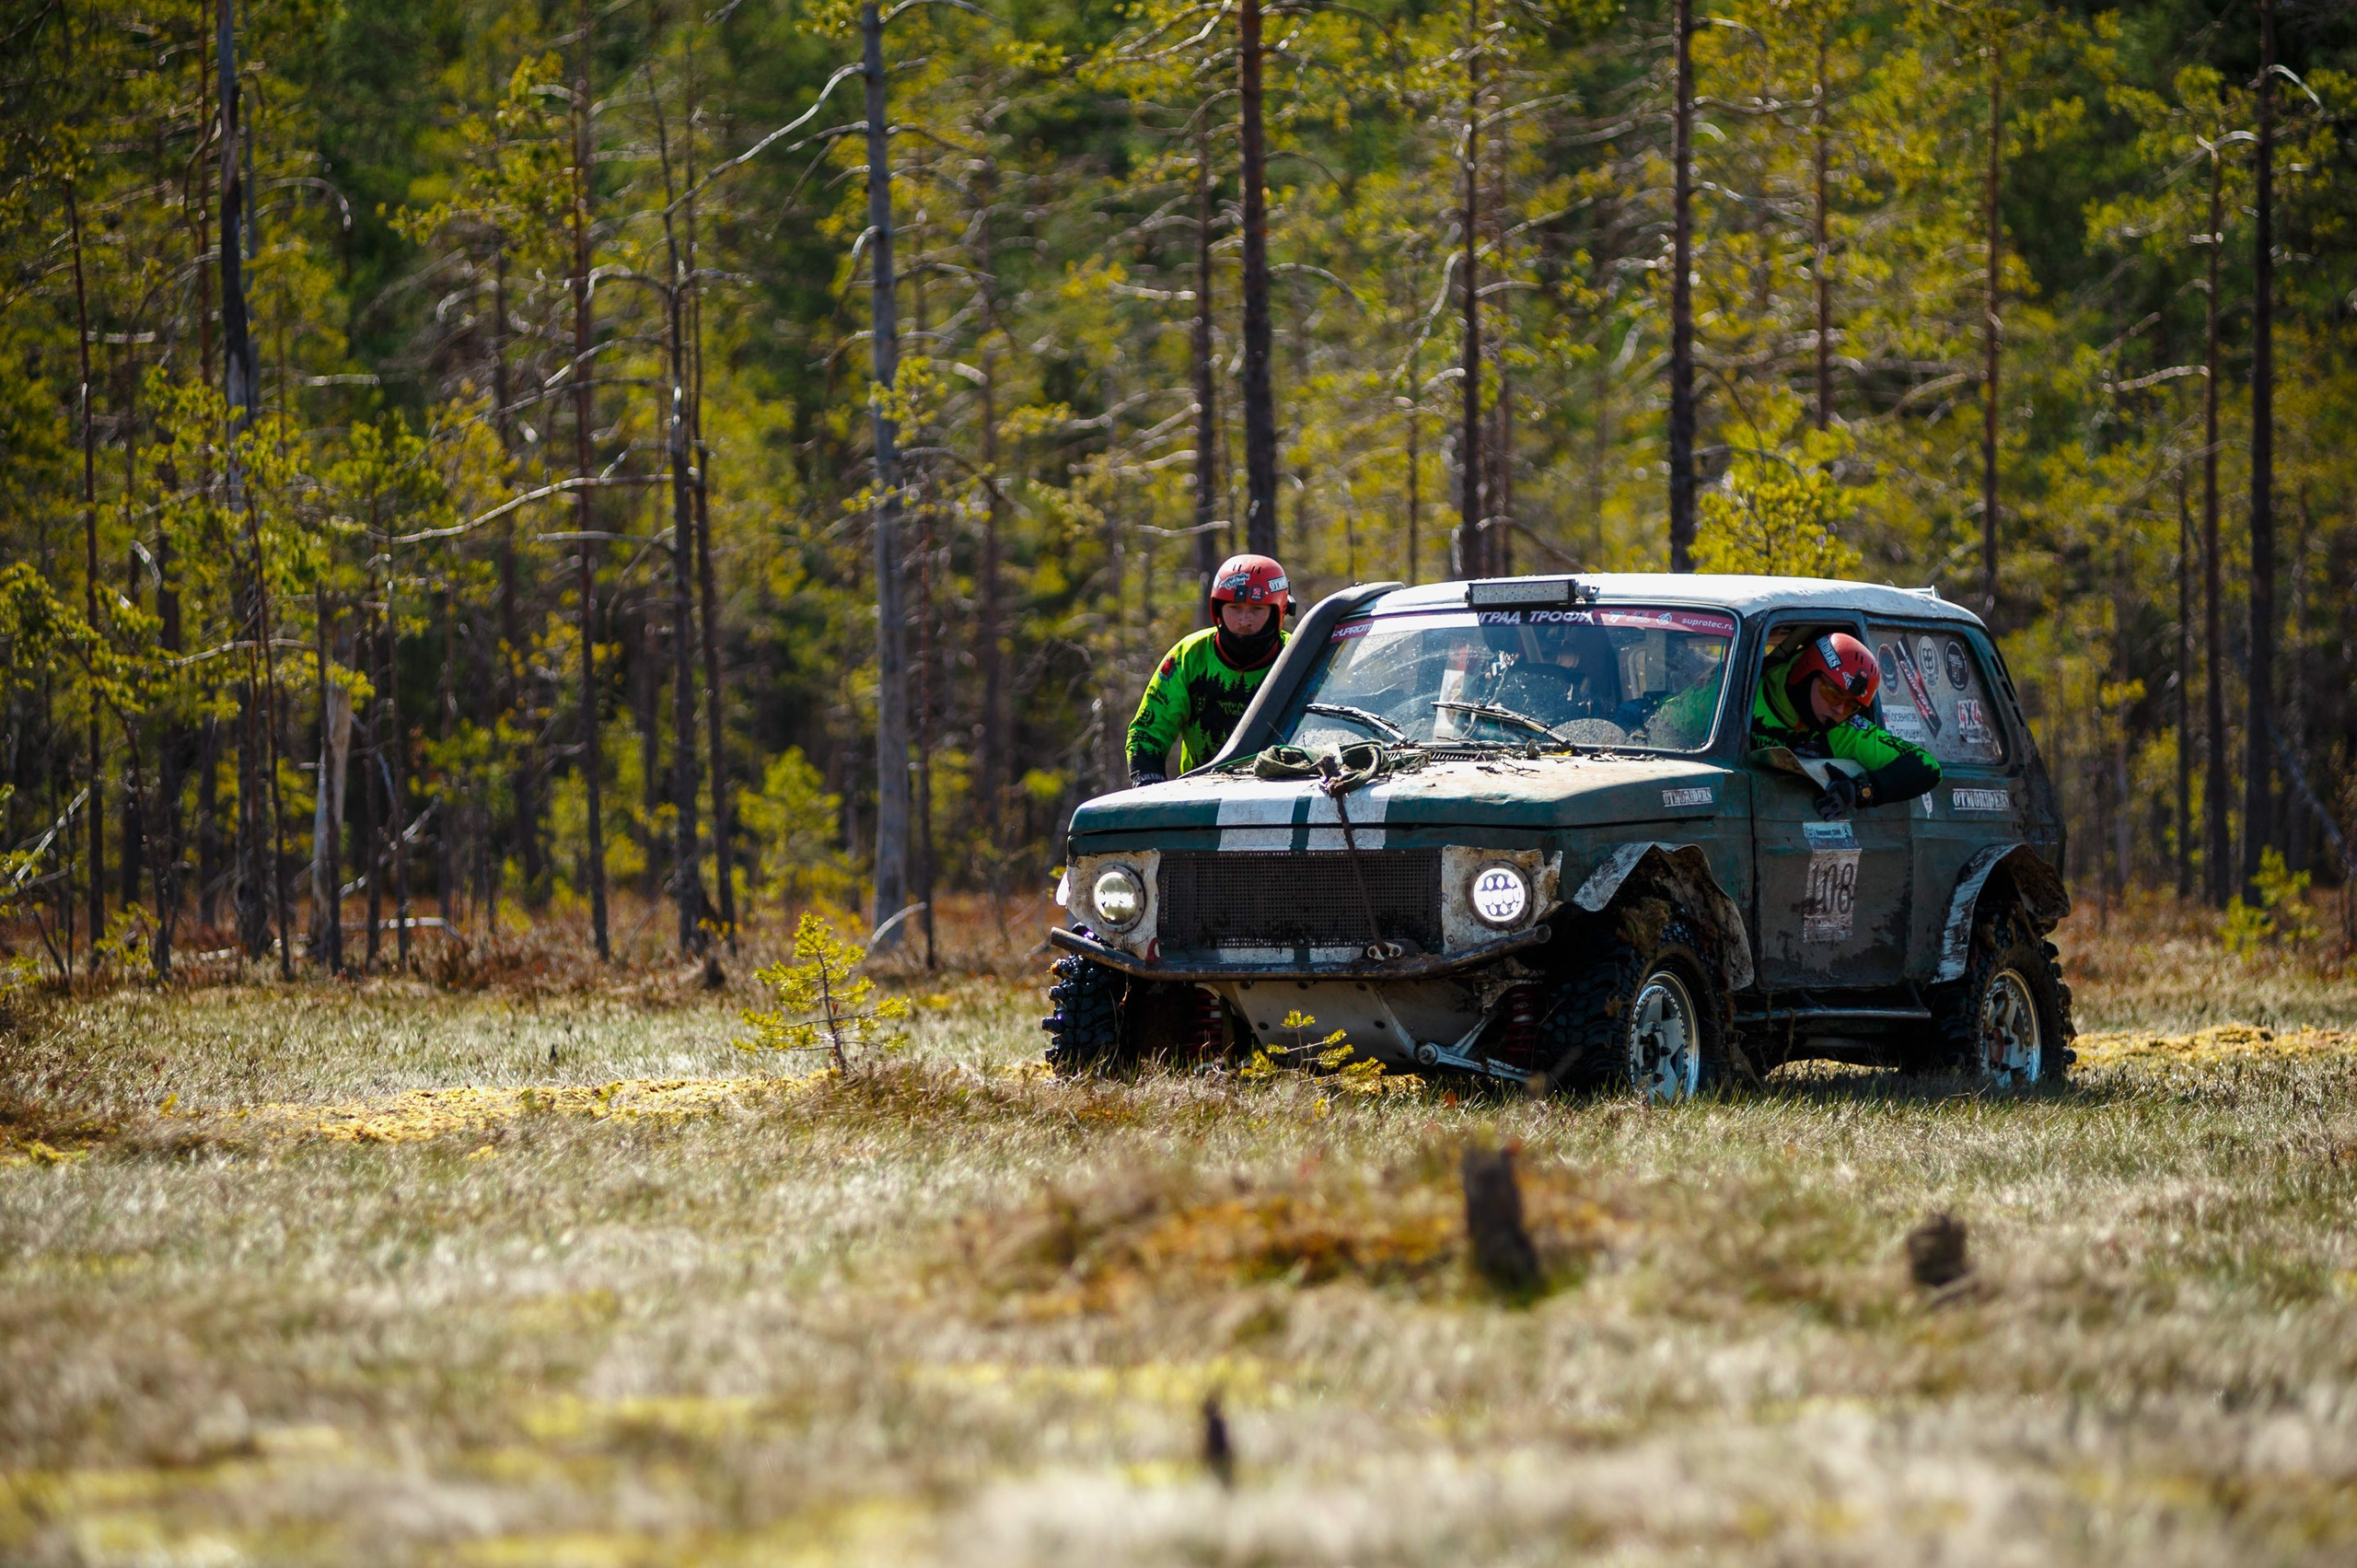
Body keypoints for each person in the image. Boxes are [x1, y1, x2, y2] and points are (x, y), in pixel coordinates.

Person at [1125, 553, 1292, 787]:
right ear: (1218, 609)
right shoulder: (1187, 656)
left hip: (1282, 792)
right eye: (1234, 608)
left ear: (1278, 612)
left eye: (1256, 609)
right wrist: (1148, 783)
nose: (1244, 620)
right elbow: (1149, 730)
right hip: (1202, 795)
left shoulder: (1298, 655)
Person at [1753, 631, 1940, 819]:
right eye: (1832, 694)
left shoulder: (1844, 730)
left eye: (1851, 705)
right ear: (1806, 672)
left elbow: (1927, 767)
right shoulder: (1745, 694)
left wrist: (1862, 790)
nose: (1839, 710)